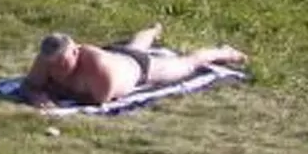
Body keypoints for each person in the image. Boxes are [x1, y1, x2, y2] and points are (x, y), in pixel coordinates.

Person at [19, 27, 246, 107]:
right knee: (135, 45)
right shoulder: (46, 59)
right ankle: (153, 30)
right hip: (120, 55)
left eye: (62, 62)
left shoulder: (99, 67)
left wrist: (50, 91)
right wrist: (36, 95)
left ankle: (223, 51)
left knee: (187, 64)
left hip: (140, 69)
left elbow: (98, 99)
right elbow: (30, 85)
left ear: (76, 51)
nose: (57, 68)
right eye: (53, 64)